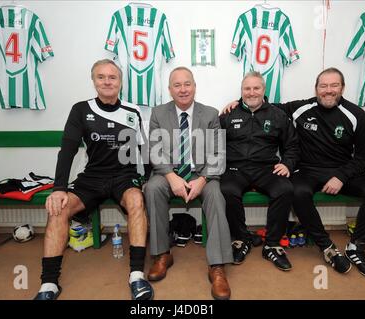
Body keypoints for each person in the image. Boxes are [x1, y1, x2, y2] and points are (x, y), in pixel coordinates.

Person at [223, 67, 365, 278]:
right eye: (323, 86)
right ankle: (325, 245)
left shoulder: (356, 115)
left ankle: (356, 247)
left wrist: (340, 176)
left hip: (343, 170)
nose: (328, 90)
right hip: (308, 171)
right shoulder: (300, 108)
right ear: (316, 88)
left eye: (334, 85)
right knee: (294, 191)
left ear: (342, 88)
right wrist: (238, 102)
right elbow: (260, 105)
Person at [34, 59, 154, 300]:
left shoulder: (133, 111)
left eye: (112, 77)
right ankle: (48, 285)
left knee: (137, 202)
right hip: (92, 178)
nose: (107, 81)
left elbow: (144, 150)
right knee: (59, 209)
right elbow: (67, 149)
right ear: (94, 81)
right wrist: (59, 188)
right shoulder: (80, 109)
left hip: (124, 177)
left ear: (120, 82)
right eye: (101, 77)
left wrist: (147, 179)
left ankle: (137, 276)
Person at [144, 67, 233, 300]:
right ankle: (162, 254)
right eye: (177, 85)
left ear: (194, 86)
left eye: (187, 84)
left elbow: (218, 153)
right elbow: (154, 150)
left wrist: (203, 179)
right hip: (168, 173)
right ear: (170, 90)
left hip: (202, 173)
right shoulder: (158, 113)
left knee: (216, 195)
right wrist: (171, 176)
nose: (183, 89)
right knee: (152, 188)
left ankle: (217, 266)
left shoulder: (211, 114)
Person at [219, 71, 299, 271]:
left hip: (266, 168)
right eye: (247, 88)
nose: (251, 92)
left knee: (285, 189)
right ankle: (241, 239)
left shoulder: (278, 115)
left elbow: (292, 146)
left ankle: (272, 245)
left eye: (256, 88)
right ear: (242, 91)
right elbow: (213, 143)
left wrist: (287, 164)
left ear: (264, 90)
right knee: (227, 190)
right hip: (236, 168)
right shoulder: (229, 114)